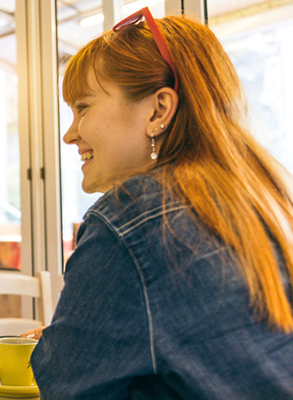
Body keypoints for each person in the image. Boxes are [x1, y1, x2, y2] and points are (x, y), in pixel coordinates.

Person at [29, 8, 293, 399]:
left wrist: (56, 351)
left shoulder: (132, 217)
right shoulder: (262, 195)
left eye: (83, 107)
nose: (70, 134)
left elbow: (65, 388)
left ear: (158, 110)